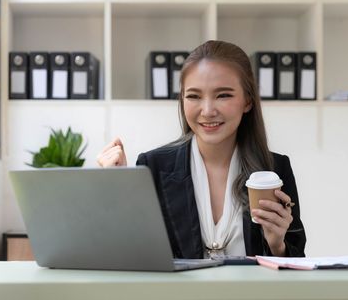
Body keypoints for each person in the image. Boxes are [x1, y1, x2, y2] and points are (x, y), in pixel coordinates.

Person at [97, 40, 305, 258]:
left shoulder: (275, 169)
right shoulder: (153, 167)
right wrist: (115, 190)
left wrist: (277, 245)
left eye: (223, 95)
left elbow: (297, 266)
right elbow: (130, 256)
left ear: (247, 101)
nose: (207, 111)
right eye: (194, 96)